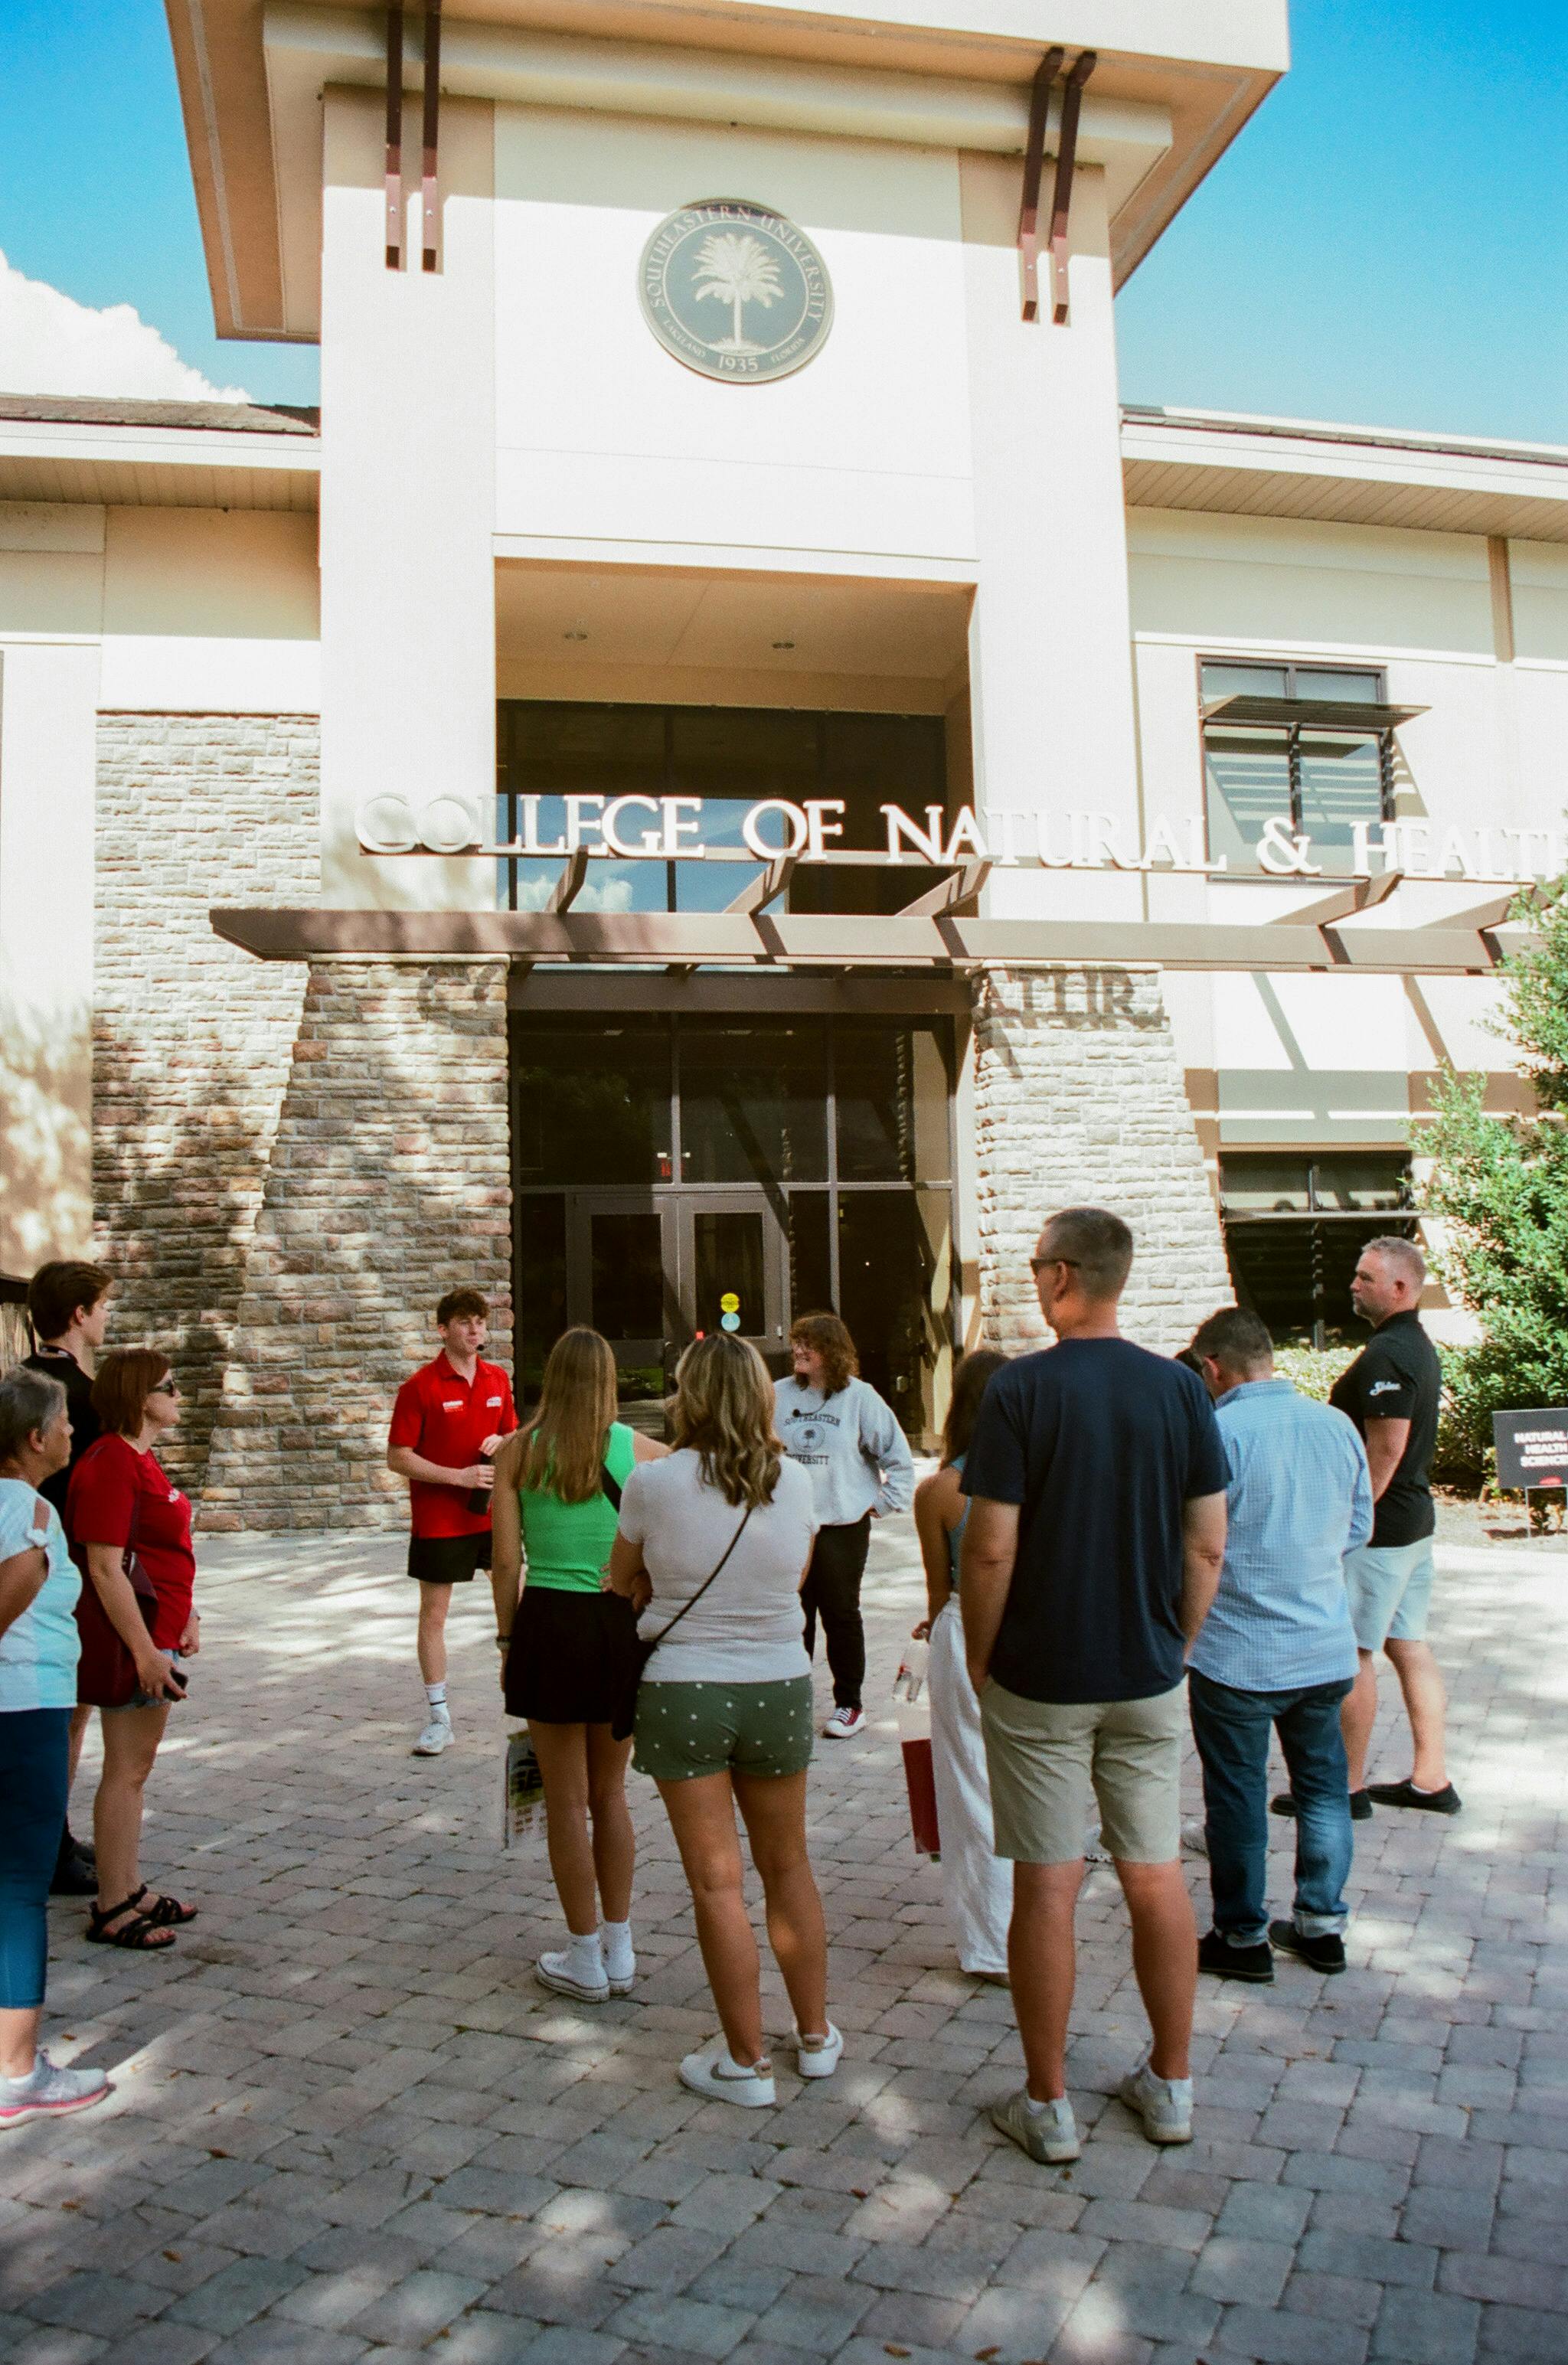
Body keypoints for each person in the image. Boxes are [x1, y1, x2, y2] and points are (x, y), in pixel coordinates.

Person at [960, 1207, 1228, 2166]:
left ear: (1063, 1275)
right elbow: (1207, 1540)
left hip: (1041, 1674)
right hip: (1145, 1672)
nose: (1033, 1277)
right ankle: (1170, 2083)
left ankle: (1048, 2102)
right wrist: (1176, 1641)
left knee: (1047, 1879)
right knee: (1154, 1871)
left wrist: (979, 1655)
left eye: (1037, 1263)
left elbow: (989, 1547)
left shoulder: (1020, 1388)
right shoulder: (1180, 1388)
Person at [608, 1332, 836, 2108]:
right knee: (789, 1865)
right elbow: (795, 1577)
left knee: (716, 1881)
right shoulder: (795, 1481)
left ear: (690, 1396)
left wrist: (658, 1583)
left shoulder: (652, 1482)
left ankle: (745, 2060)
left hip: (685, 1687)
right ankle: (815, 2036)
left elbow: (619, 1579)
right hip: (778, 1680)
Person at [1187, 1308, 1371, 1981]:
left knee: (1237, 1796)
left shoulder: (1217, 1432)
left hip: (1236, 1651)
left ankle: (1242, 1936)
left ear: (1213, 1367)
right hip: (1322, 1644)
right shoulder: (1336, 1424)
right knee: (1323, 1789)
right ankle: (1322, 1925)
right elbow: (1359, 1525)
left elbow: (1198, 1542)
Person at [490, 1328, 666, 2003]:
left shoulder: (517, 1451)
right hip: (615, 1619)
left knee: (564, 1800)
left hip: (548, 1622)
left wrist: (508, 1640)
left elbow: (505, 1561)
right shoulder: (638, 1449)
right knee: (610, 1794)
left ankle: (584, 1953)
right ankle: (621, 1946)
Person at [1272, 1236, 1457, 1823]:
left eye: (1365, 1277)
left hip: (1381, 1534)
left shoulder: (1388, 1354)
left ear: (1400, 1287)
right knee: (1408, 1644)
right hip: (1413, 1523)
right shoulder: (1413, 1344)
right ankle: (1431, 1779)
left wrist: (1348, 1522)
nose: (1353, 1285)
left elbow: (1387, 1448)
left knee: (1351, 1652)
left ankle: (1345, 1788)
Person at [0, 1369, 111, 2126]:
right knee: (19, 1886)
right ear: (35, 1437)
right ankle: (18, 2073)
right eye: (66, 1419)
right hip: (25, 1710)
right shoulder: (33, 1514)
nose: (74, 1429)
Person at [67, 1350, 199, 1952]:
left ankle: (127, 1884)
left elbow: (159, 1549)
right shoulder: (111, 1462)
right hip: (138, 1639)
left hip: (161, 1630)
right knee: (126, 1771)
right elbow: (103, 1565)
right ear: (138, 1397)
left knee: (136, 1769)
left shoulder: (139, 1457)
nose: (178, 1394)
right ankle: (111, 1905)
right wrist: (146, 1652)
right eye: (168, 1385)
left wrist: (189, 1611)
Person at [912, 1345, 1012, 1979]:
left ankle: (991, 1941)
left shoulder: (939, 1491)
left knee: (970, 1784)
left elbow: (938, 1588)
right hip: (1033, 1632)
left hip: (963, 1627)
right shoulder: (1044, 1475)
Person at [387, 1288, 518, 1756]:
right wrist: (457, 1476)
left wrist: (504, 1443)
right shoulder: (419, 1387)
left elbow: (513, 1436)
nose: (475, 1329)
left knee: (513, 1605)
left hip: (492, 1516)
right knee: (435, 1616)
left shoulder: (497, 1379)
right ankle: (439, 1717)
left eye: (480, 1321)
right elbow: (398, 1457)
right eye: (464, 1322)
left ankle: (521, 1693)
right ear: (443, 1330)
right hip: (441, 1522)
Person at [775, 1312, 914, 1739]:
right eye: (797, 1342)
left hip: (841, 1528)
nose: (798, 1350)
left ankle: (849, 1705)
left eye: (808, 1344)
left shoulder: (860, 1398)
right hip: (790, 1527)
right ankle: (792, 1704)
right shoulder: (777, 1395)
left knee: (840, 1615)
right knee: (792, 1616)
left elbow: (899, 1459)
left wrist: (879, 1504)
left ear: (831, 1352)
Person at [23, 1260, 113, 1901]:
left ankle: (52, 1832)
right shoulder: (81, 1396)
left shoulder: (23, 1381)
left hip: (41, 1559)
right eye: (103, 1306)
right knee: (66, 1712)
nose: (106, 1317)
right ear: (80, 1314)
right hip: (71, 1564)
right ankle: (47, 1843)